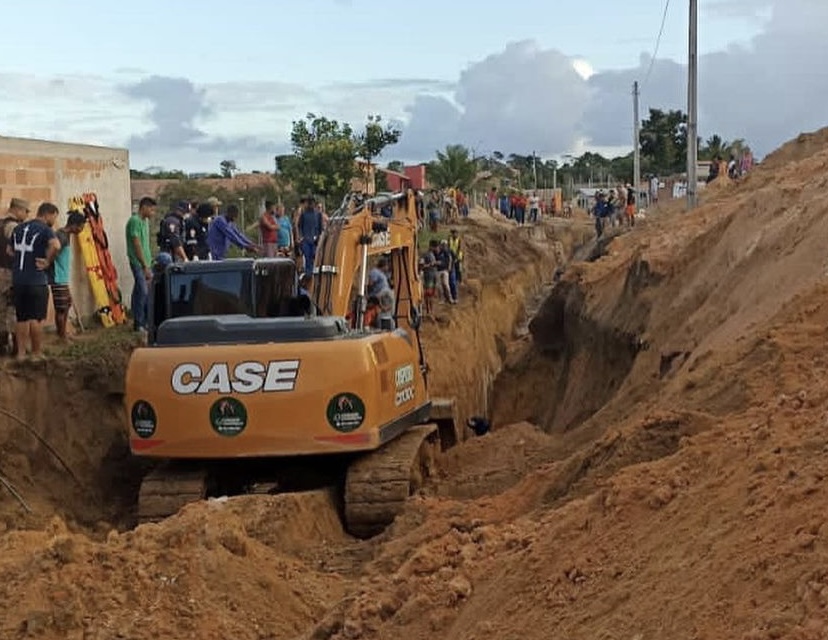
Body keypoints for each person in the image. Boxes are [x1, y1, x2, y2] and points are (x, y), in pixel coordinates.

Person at [9, 202, 60, 359]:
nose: (54, 221)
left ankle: (21, 353)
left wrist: (20, 263)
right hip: (36, 281)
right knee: (36, 318)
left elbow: (9, 250)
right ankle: (36, 353)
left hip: (18, 280)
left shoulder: (18, 228)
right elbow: (56, 245)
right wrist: (47, 261)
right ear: (47, 214)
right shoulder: (45, 230)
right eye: (54, 217)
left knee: (21, 318)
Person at [49, 211, 86, 341]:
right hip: (58, 278)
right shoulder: (62, 236)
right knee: (61, 309)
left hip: (62, 277)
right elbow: (53, 250)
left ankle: (63, 333)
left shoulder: (65, 235)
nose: (82, 230)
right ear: (75, 225)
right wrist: (49, 262)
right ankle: (62, 336)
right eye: (81, 227)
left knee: (65, 306)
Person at [0, 197, 30, 355]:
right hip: (10, 273)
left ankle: (3, 347)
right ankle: (16, 348)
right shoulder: (14, 227)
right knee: (13, 310)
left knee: (1, 310)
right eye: (26, 211)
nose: (26, 215)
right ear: (18, 209)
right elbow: (19, 250)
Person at [127, 197, 157, 335]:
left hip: (146, 262)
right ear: (144, 207)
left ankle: (140, 320)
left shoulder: (145, 222)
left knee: (139, 291)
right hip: (138, 263)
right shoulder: (135, 221)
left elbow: (146, 243)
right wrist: (144, 265)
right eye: (151, 209)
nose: (153, 212)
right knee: (143, 292)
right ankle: (139, 324)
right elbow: (137, 243)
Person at [296, 197, 324, 276]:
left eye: (312, 203)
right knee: (307, 256)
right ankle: (309, 274)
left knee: (315, 256)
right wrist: (301, 237)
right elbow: (299, 226)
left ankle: (314, 272)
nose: (310, 205)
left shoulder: (318, 214)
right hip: (306, 240)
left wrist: (318, 237)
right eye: (309, 203)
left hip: (315, 240)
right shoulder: (303, 215)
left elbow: (320, 228)